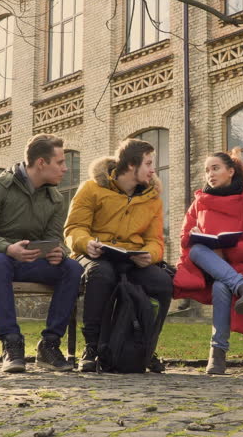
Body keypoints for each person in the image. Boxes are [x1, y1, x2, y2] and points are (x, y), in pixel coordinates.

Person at [0, 134, 83, 373]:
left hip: (28, 261)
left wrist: (57, 253)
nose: (65, 168)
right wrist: (8, 248)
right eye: (60, 162)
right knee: (0, 263)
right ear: (41, 163)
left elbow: (54, 239)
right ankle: (11, 343)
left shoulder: (55, 199)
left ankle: (49, 345)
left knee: (72, 268)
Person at [64, 138, 173, 372]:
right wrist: (86, 243)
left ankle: (146, 346)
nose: (153, 170)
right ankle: (92, 347)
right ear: (132, 165)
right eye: (148, 163)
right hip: (95, 254)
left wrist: (149, 256)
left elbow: (155, 241)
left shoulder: (152, 198)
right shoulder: (91, 188)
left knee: (163, 282)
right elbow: (73, 228)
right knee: (102, 274)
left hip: (132, 258)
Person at [172, 150, 243, 374]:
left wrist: (225, 253)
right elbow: (184, 238)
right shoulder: (198, 202)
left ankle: (217, 352)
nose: (210, 174)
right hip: (204, 266)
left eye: (215, 168)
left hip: (238, 265)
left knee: (221, 285)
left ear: (231, 171)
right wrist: (194, 234)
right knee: (196, 249)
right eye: (207, 170)